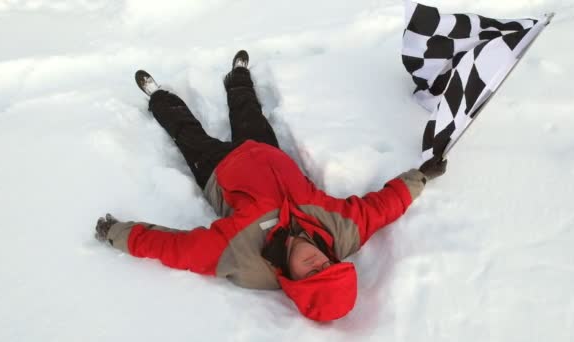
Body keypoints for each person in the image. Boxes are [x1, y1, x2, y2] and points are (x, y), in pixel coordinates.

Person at [94, 50, 447, 322]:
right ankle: (237, 77)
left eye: (311, 273)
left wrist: (118, 233)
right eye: (327, 266)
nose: (315, 262)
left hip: (219, 170)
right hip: (268, 154)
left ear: (293, 282)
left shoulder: (245, 260)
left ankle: (158, 96)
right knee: (248, 113)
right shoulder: (342, 231)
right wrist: (421, 177)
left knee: (185, 131)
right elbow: (382, 208)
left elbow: (177, 249)